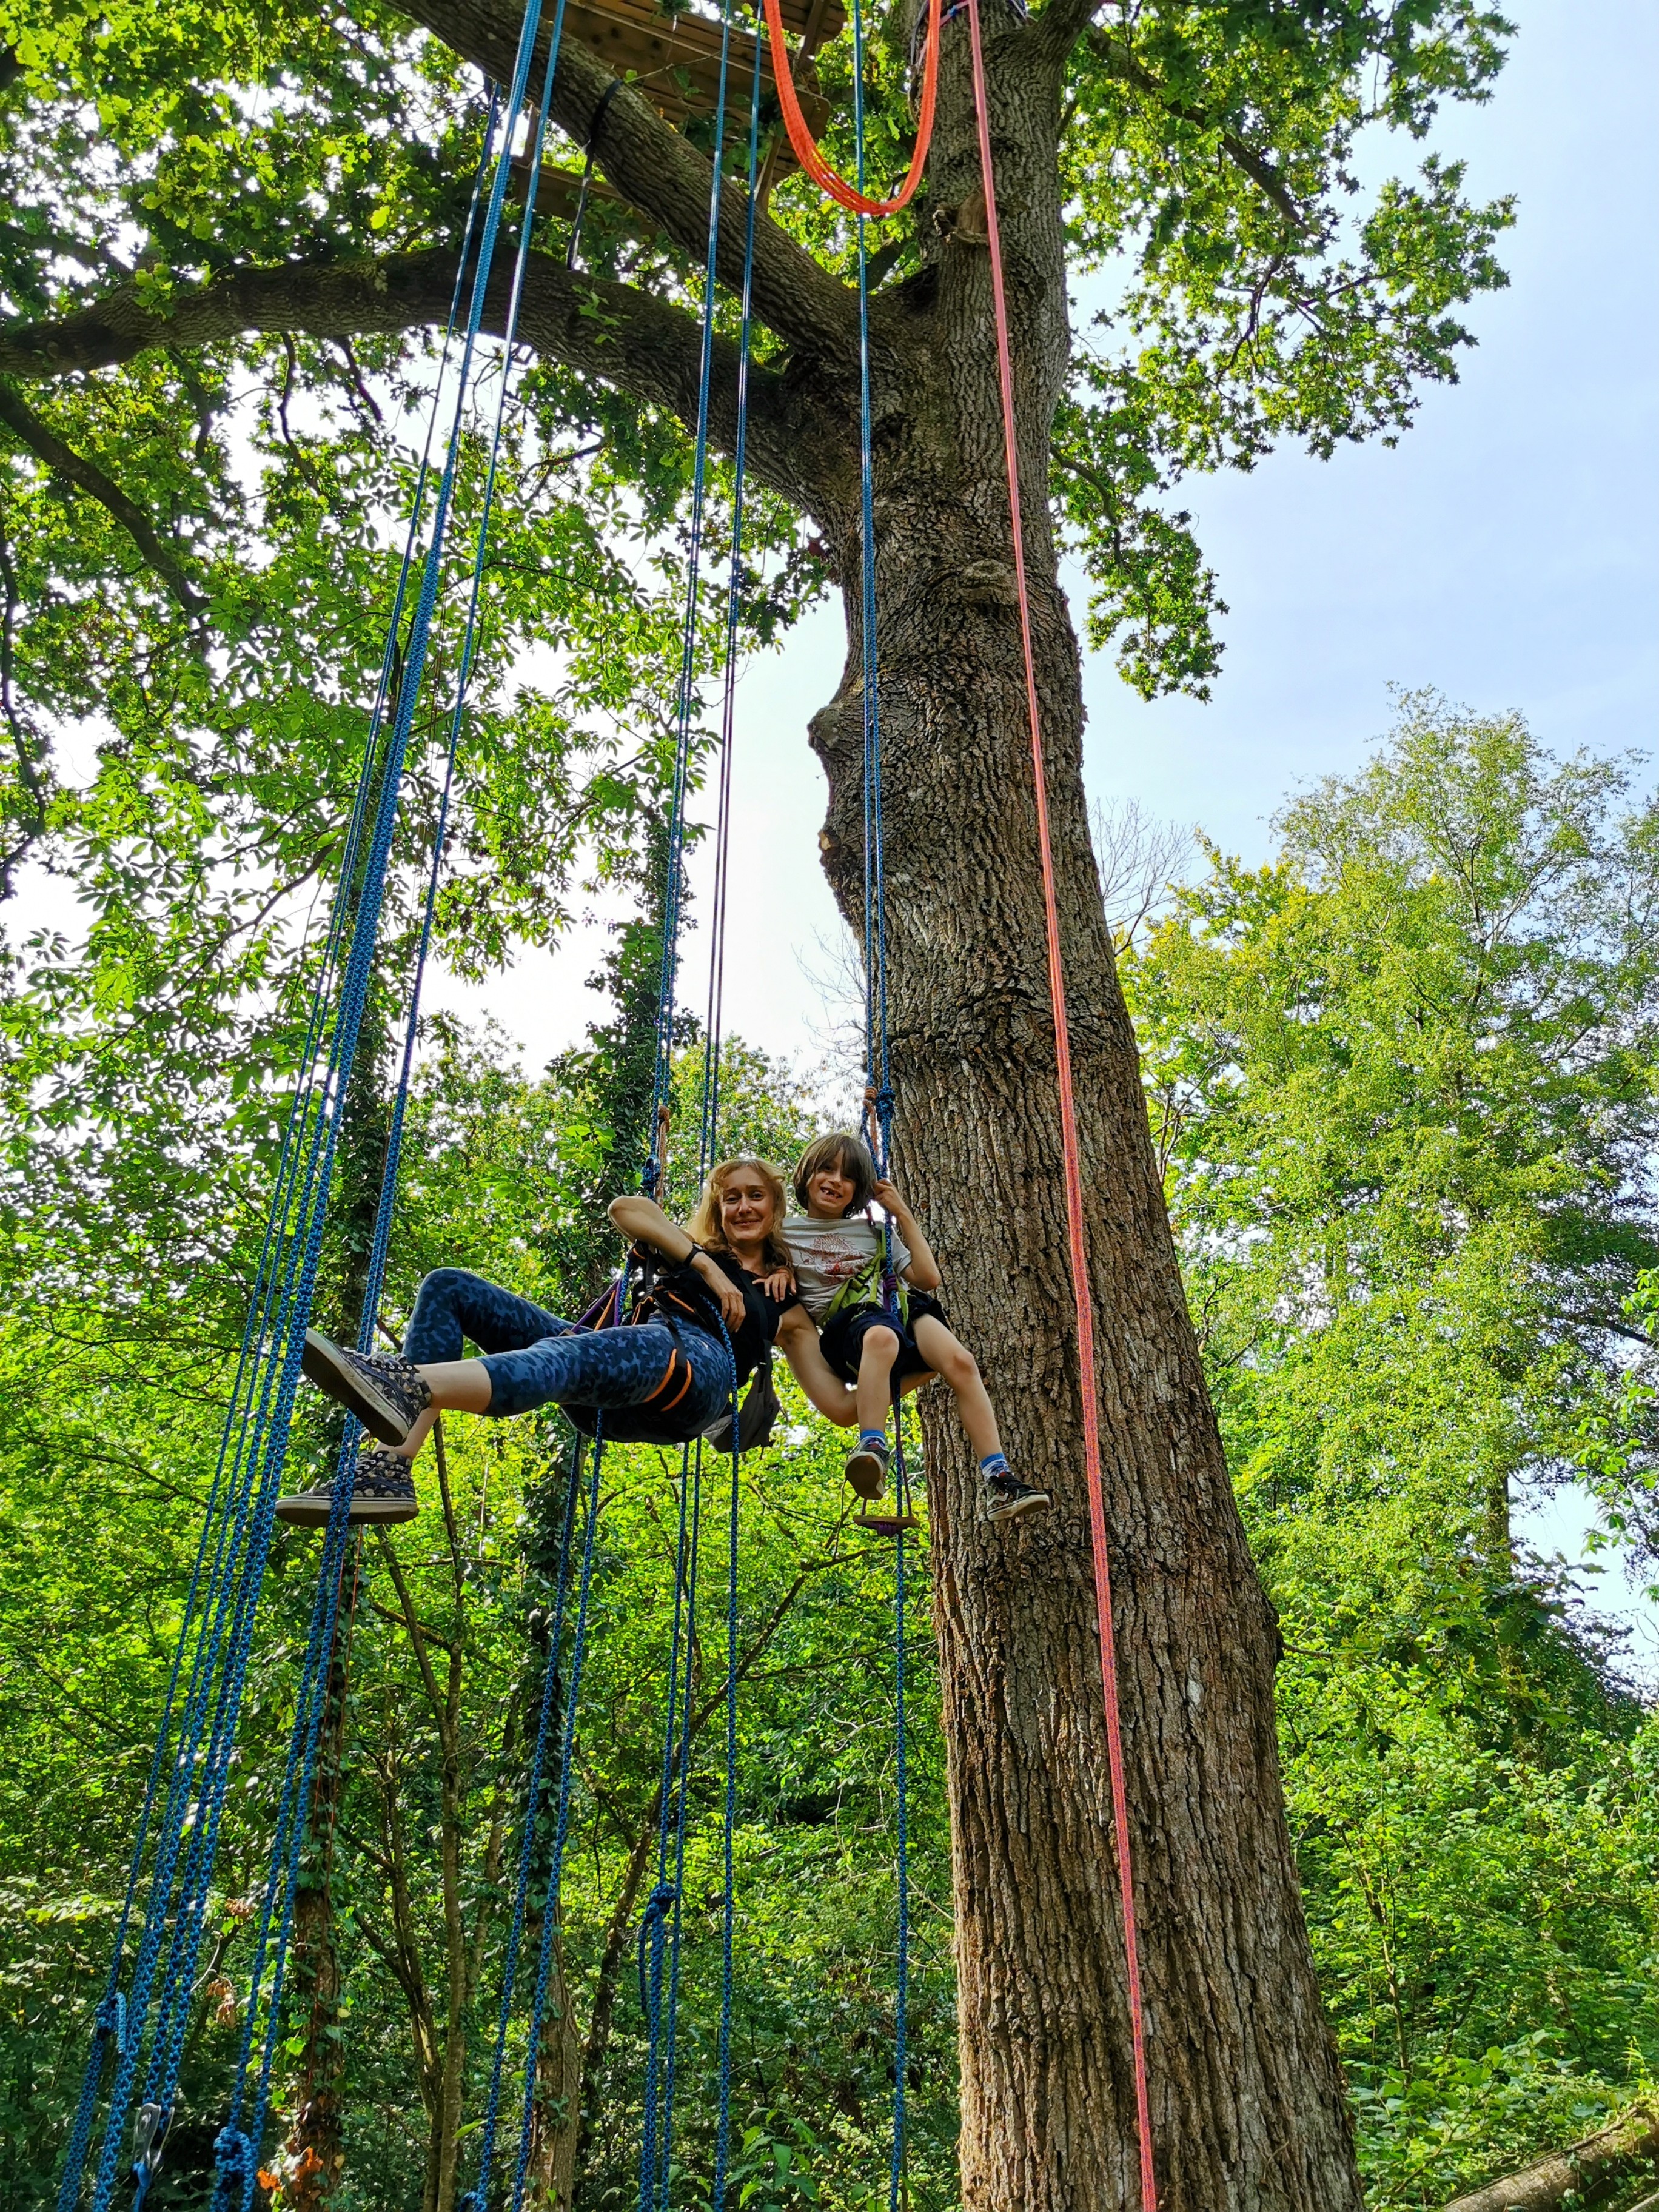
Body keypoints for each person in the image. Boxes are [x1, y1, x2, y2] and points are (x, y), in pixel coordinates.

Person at [278, 1158, 837, 1527]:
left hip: (696, 1373)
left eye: (756, 1196)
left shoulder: (784, 1303)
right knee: (450, 1289)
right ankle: (388, 1472)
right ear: (717, 1207)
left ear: (776, 1207)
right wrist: (705, 1267)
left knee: (572, 1353)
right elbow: (627, 1210)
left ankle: (407, 1383)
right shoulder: (687, 1250)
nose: (742, 1207)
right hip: (621, 1359)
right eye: (731, 1197)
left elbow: (839, 1405)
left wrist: (914, 1360)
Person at [776, 1133, 1049, 1524]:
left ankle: (999, 1478)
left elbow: (927, 1278)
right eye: (826, 1169)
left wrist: (902, 1215)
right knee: (881, 1336)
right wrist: (778, 1272)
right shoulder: (783, 1232)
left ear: (858, 1190)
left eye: (848, 1176)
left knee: (960, 1361)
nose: (836, 1181)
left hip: (901, 1309)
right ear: (807, 1176)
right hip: (849, 1326)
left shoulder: (876, 1233)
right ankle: (872, 1444)